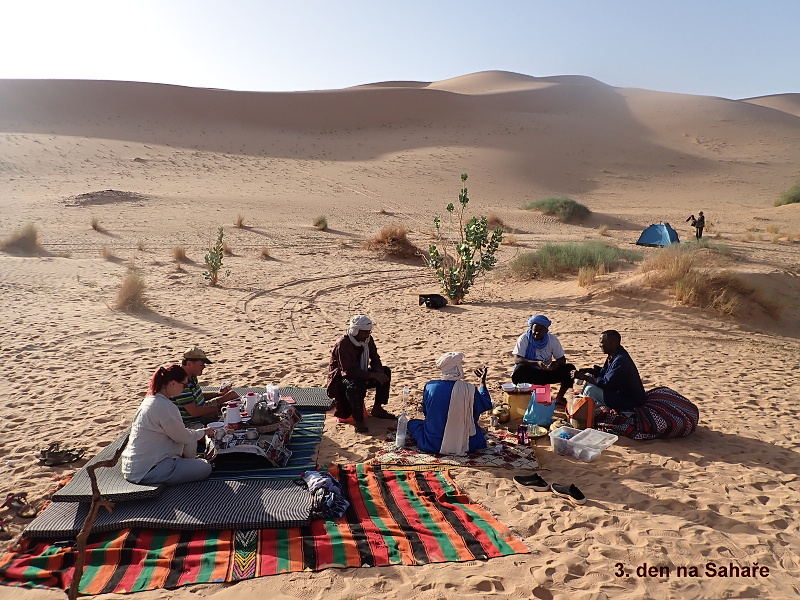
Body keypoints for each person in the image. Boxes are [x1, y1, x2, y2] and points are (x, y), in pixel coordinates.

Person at [121, 365, 213, 485]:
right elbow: (183, 437)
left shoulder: (151, 400)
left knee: (191, 443)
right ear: (173, 383)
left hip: (137, 465)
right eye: (184, 385)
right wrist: (204, 432)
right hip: (149, 470)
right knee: (205, 467)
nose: (184, 388)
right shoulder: (164, 406)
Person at [407, 352, 492, 455]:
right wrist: (482, 383)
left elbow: (426, 412)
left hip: (432, 443)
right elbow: (486, 405)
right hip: (466, 443)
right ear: (457, 367)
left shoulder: (430, 386)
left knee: (413, 423)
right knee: (476, 431)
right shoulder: (469, 389)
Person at [326, 315, 394, 433]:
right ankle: (358, 420)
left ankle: (377, 408)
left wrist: (378, 372)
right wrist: (373, 375)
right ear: (355, 331)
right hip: (341, 378)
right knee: (356, 385)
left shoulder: (368, 340)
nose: (367, 335)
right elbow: (348, 371)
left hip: (360, 372)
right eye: (364, 332)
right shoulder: (343, 343)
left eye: (368, 332)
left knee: (385, 371)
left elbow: (375, 358)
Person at [572, 329, 646, 411]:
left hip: (629, 401)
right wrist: (589, 371)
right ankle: (583, 408)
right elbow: (605, 373)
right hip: (619, 393)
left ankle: (585, 414)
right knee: (591, 377)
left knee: (590, 390)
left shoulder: (620, 360)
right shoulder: (614, 355)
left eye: (602, 342)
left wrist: (583, 377)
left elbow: (606, 383)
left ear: (611, 343)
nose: (600, 345)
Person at [511, 315, 576, 404]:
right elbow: (517, 359)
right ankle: (524, 398)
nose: (537, 333)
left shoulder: (552, 339)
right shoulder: (524, 338)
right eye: (535, 330)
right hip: (531, 371)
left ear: (546, 330)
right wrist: (536, 363)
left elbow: (561, 359)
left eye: (540, 330)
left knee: (569, 369)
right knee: (519, 370)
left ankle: (560, 397)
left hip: (547, 371)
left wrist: (555, 364)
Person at [172, 346, 238, 424]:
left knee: (232, 395)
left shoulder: (192, 376)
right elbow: (194, 412)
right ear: (189, 364)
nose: (204, 367)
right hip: (194, 420)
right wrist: (220, 407)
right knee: (232, 410)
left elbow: (196, 396)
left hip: (202, 407)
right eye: (201, 364)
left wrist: (218, 394)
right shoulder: (180, 382)